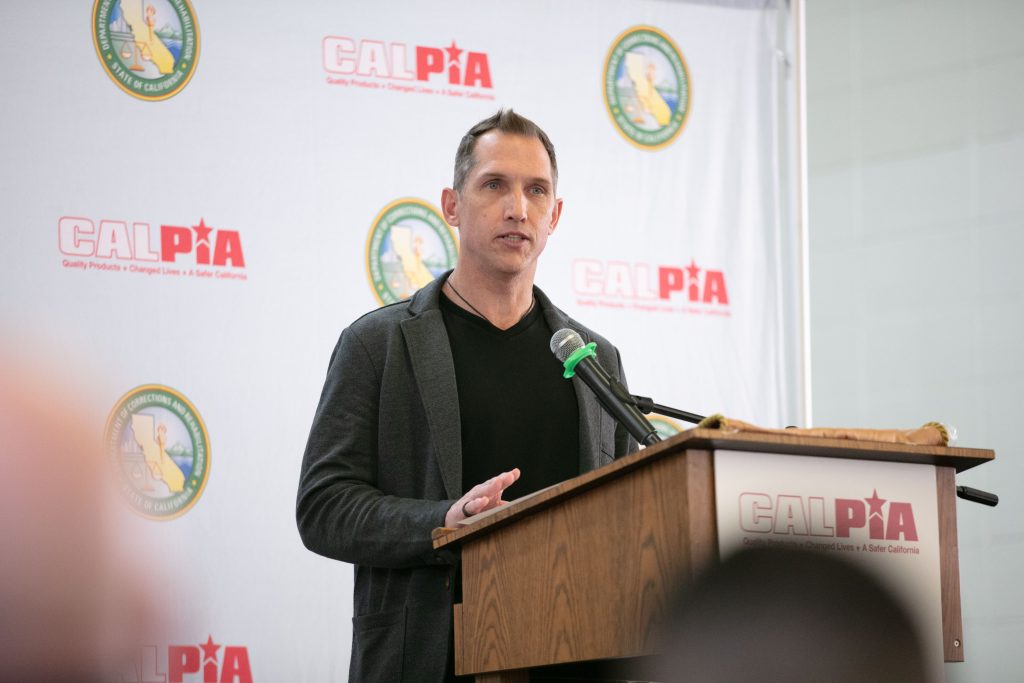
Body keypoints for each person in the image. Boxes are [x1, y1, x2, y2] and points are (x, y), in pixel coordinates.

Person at [296, 109, 637, 682]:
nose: (517, 208)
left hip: (581, 657)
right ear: (452, 206)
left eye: (536, 191)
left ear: (554, 217)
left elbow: (629, 517)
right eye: (494, 185)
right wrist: (444, 522)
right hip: (429, 659)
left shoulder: (594, 360)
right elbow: (323, 506)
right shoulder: (376, 346)